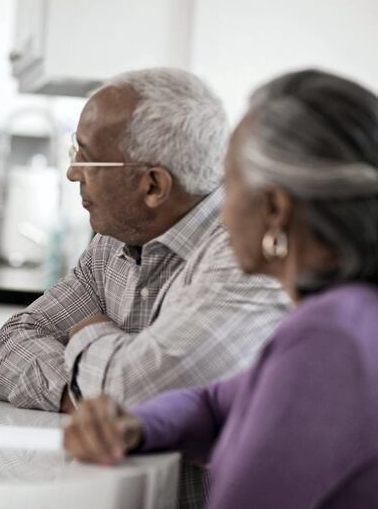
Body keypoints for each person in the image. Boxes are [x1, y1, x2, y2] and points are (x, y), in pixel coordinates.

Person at [63, 69, 378, 508]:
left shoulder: (330, 339)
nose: (218, 210)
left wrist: (86, 342)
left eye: (229, 183)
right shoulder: (348, 313)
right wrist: (137, 426)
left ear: (274, 209)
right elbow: (216, 404)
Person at [0, 68, 289, 507]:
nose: (73, 173)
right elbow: (8, 347)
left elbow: (141, 396)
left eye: (86, 157)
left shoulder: (245, 255)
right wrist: (86, 400)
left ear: (152, 186)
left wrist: (89, 336)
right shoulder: (112, 242)